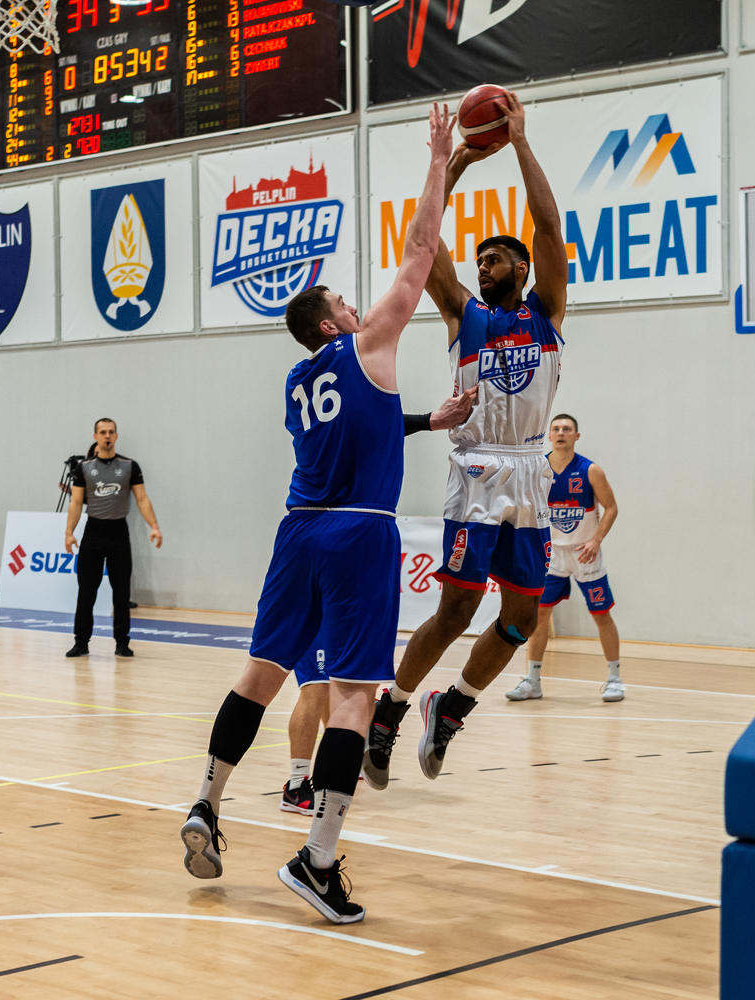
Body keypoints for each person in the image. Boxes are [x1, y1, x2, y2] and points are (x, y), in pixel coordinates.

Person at [179, 104, 458, 924]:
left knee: (259, 678)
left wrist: (425, 421)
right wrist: (439, 161)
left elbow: (362, 426)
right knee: (354, 699)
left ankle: (205, 804)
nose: (358, 302)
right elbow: (421, 251)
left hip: (297, 529)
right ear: (335, 322)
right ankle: (319, 859)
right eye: (344, 299)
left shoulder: (299, 381)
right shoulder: (369, 342)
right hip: (357, 531)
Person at [363, 90, 569, 789]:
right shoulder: (464, 315)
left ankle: (449, 708)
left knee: (520, 617)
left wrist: (520, 143)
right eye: (479, 260)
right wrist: (452, 164)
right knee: (455, 608)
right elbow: (422, 245)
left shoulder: (547, 311)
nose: (484, 266)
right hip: (478, 471)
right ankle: (391, 710)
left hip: (531, 473)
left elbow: (548, 226)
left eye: (496, 259)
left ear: (523, 269)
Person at [279, 388, 480, 815]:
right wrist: (430, 420)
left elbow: (384, 425)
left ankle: (341, 759)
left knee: (346, 686)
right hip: (324, 556)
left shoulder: (334, 415)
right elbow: (383, 424)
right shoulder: (346, 420)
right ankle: (296, 784)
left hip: (330, 555)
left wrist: (430, 421)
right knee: (316, 687)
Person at [505, 413, 623, 702]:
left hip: (585, 553)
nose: (561, 433)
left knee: (601, 614)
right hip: (552, 555)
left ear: (576, 436)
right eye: (556, 429)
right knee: (540, 615)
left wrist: (596, 540)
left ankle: (615, 679)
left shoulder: (590, 470)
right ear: (549, 435)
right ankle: (533, 681)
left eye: (567, 429)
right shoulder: (538, 469)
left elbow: (611, 508)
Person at [63, 418, 163, 658]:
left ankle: (122, 643)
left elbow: (142, 499)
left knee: (121, 592)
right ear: (95, 436)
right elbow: (76, 502)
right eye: (102, 432)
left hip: (118, 532)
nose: (107, 436)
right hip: (93, 532)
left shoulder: (129, 466)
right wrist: (69, 533)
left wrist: (154, 526)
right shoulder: (83, 468)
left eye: (110, 432)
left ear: (116, 436)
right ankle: (81, 642)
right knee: (87, 591)